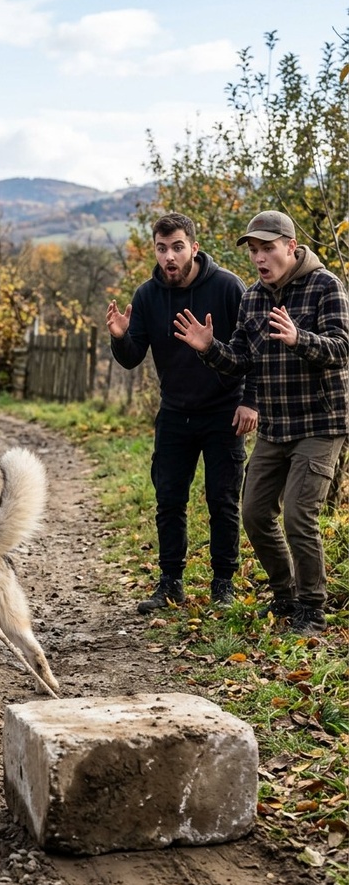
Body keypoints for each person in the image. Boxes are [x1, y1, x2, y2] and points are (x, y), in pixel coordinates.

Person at [174, 209, 349, 635]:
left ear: (291, 246)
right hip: (276, 426)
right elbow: (239, 360)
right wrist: (209, 347)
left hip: (321, 422)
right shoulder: (253, 297)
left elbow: (343, 347)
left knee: (298, 515)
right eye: (253, 250)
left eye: (267, 248)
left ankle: (312, 607)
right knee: (252, 512)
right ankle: (285, 594)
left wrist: (298, 338)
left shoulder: (326, 286)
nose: (259, 258)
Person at [107, 212, 258, 614]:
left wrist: (251, 401)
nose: (169, 257)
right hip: (175, 411)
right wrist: (120, 337)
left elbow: (253, 352)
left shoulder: (228, 287)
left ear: (194, 246)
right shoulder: (147, 296)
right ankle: (170, 583)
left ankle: (223, 584)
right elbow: (132, 357)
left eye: (177, 247)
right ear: (154, 250)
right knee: (168, 498)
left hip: (224, 410)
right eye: (161, 249)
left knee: (222, 500)